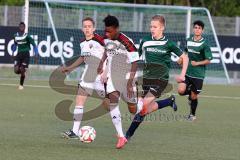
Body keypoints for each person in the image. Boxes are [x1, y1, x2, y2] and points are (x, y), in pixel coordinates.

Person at [125, 15, 189, 140]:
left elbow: (185, 57)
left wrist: (182, 75)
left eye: (155, 27)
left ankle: (127, 135)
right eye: (151, 26)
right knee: (144, 110)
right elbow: (136, 58)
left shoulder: (168, 44)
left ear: (162, 28)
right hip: (146, 79)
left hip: (161, 81)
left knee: (141, 105)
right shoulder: (145, 41)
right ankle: (169, 101)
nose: (152, 29)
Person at [97, 15, 139, 149]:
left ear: (116, 29)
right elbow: (106, 50)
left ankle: (140, 103)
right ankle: (121, 136)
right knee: (112, 102)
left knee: (133, 109)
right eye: (105, 31)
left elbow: (135, 62)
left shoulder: (126, 42)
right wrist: (101, 63)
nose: (106, 33)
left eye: (109, 31)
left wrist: (130, 83)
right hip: (113, 76)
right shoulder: (106, 38)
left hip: (128, 76)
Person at [61, 17, 106, 139]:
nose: (87, 29)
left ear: (94, 28)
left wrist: (105, 71)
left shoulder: (100, 40)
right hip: (88, 75)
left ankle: (120, 133)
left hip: (101, 76)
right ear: (82, 28)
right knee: (79, 102)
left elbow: (109, 53)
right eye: (85, 26)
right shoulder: (82, 42)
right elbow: (82, 57)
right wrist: (69, 68)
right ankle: (75, 132)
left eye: (89, 26)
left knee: (110, 103)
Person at [177, 20, 212, 121]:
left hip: (198, 74)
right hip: (188, 72)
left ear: (202, 30)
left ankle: (192, 115)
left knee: (193, 96)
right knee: (180, 90)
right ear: (193, 29)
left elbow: (208, 60)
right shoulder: (188, 40)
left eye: (199, 28)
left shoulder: (205, 44)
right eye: (195, 27)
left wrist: (197, 63)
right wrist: (181, 59)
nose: (197, 29)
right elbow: (185, 52)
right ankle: (190, 94)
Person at [11, 22, 39, 90]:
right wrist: (12, 53)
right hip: (19, 54)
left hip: (26, 54)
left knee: (22, 69)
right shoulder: (15, 36)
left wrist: (36, 55)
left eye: (23, 27)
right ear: (19, 27)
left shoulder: (27, 36)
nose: (21, 28)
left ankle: (21, 85)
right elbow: (15, 44)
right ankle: (23, 73)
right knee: (16, 70)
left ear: (24, 28)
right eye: (20, 27)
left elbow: (34, 45)